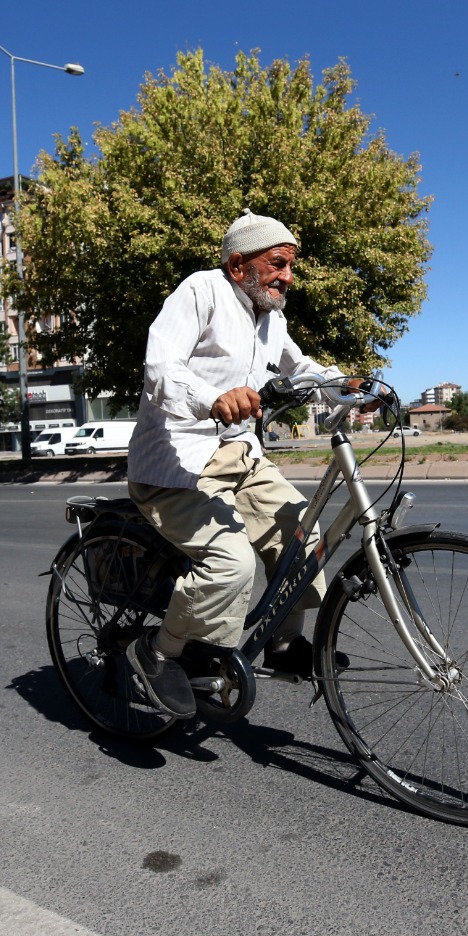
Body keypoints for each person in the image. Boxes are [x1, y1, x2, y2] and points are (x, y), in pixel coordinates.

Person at [124, 210, 343, 718]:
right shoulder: (200, 290)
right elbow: (161, 366)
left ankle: (285, 645)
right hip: (176, 462)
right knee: (231, 563)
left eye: (291, 266)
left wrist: (346, 385)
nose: (288, 276)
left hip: (241, 456)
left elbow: (301, 369)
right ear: (239, 263)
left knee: (303, 539)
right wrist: (212, 398)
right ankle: (158, 655)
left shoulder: (272, 317)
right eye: (279, 263)